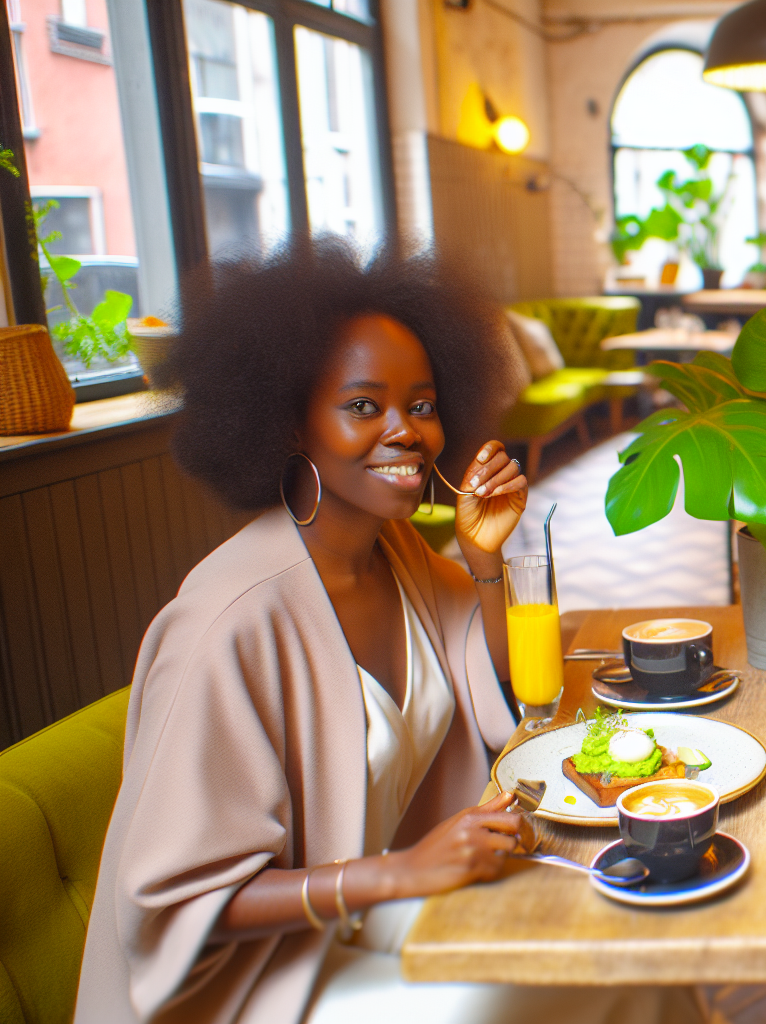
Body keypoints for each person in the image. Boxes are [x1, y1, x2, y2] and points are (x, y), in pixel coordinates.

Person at [75, 241, 701, 1024]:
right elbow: (177, 904)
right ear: (290, 422)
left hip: (362, 914)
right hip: (256, 977)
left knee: (627, 938)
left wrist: (483, 558)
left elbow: (511, 682)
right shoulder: (227, 622)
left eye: (424, 404)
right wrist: (400, 874)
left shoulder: (397, 552)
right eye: (364, 406)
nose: (406, 431)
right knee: (505, 997)